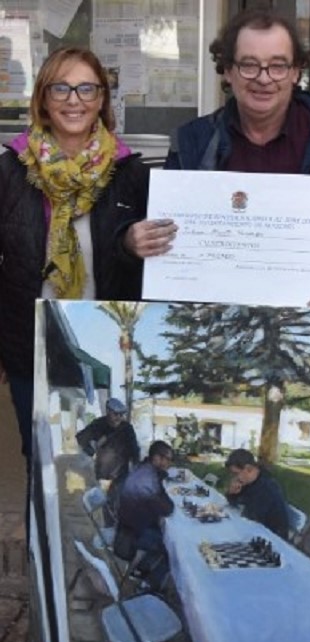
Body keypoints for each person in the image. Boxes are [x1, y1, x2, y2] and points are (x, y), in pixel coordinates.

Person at [164, 7, 310, 417]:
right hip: (218, 338)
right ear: (226, 70)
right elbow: (167, 237)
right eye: (249, 65)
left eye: (278, 65)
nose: (264, 78)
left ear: (297, 71)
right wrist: (134, 238)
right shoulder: (193, 143)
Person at [0, 46, 177, 493]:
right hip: (31, 345)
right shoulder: (9, 171)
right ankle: (50, 561)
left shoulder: (131, 174)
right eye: (61, 87)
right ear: (42, 98)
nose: (73, 99)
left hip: (98, 348)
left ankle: (103, 553)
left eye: (86, 88)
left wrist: (131, 244)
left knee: (99, 454)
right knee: (40, 454)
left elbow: (156, 262)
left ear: (102, 99)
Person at [114, 440, 175, 591]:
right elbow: (167, 508)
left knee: (167, 537)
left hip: (129, 525)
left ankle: (141, 571)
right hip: (131, 535)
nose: (168, 463)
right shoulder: (147, 478)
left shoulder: (144, 469)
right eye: (166, 459)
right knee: (172, 547)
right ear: (156, 458)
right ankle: (147, 585)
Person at [76, 397, 139, 521]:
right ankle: (105, 529)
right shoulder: (98, 425)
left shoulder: (127, 428)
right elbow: (80, 438)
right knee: (101, 508)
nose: (119, 418)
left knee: (116, 505)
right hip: (102, 475)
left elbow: (135, 450)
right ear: (108, 412)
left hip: (121, 475)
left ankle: (114, 530)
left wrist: (136, 466)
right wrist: (91, 450)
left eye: (121, 414)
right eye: (116, 414)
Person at [225, 448, 289, 540]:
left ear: (248, 469)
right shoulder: (248, 481)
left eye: (236, 473)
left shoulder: (266, 487)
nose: (235, 478)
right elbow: (235, 504)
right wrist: (232, 493)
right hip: (255, 529)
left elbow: (252, 517)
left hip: (272, 538)